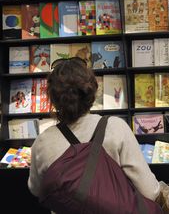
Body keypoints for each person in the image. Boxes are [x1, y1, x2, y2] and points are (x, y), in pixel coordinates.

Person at [28, 57, 160, 205]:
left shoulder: (43, 142)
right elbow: (149, 191)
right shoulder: (116, 128)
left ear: (53, 98)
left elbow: (36, 189)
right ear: (92, 92)